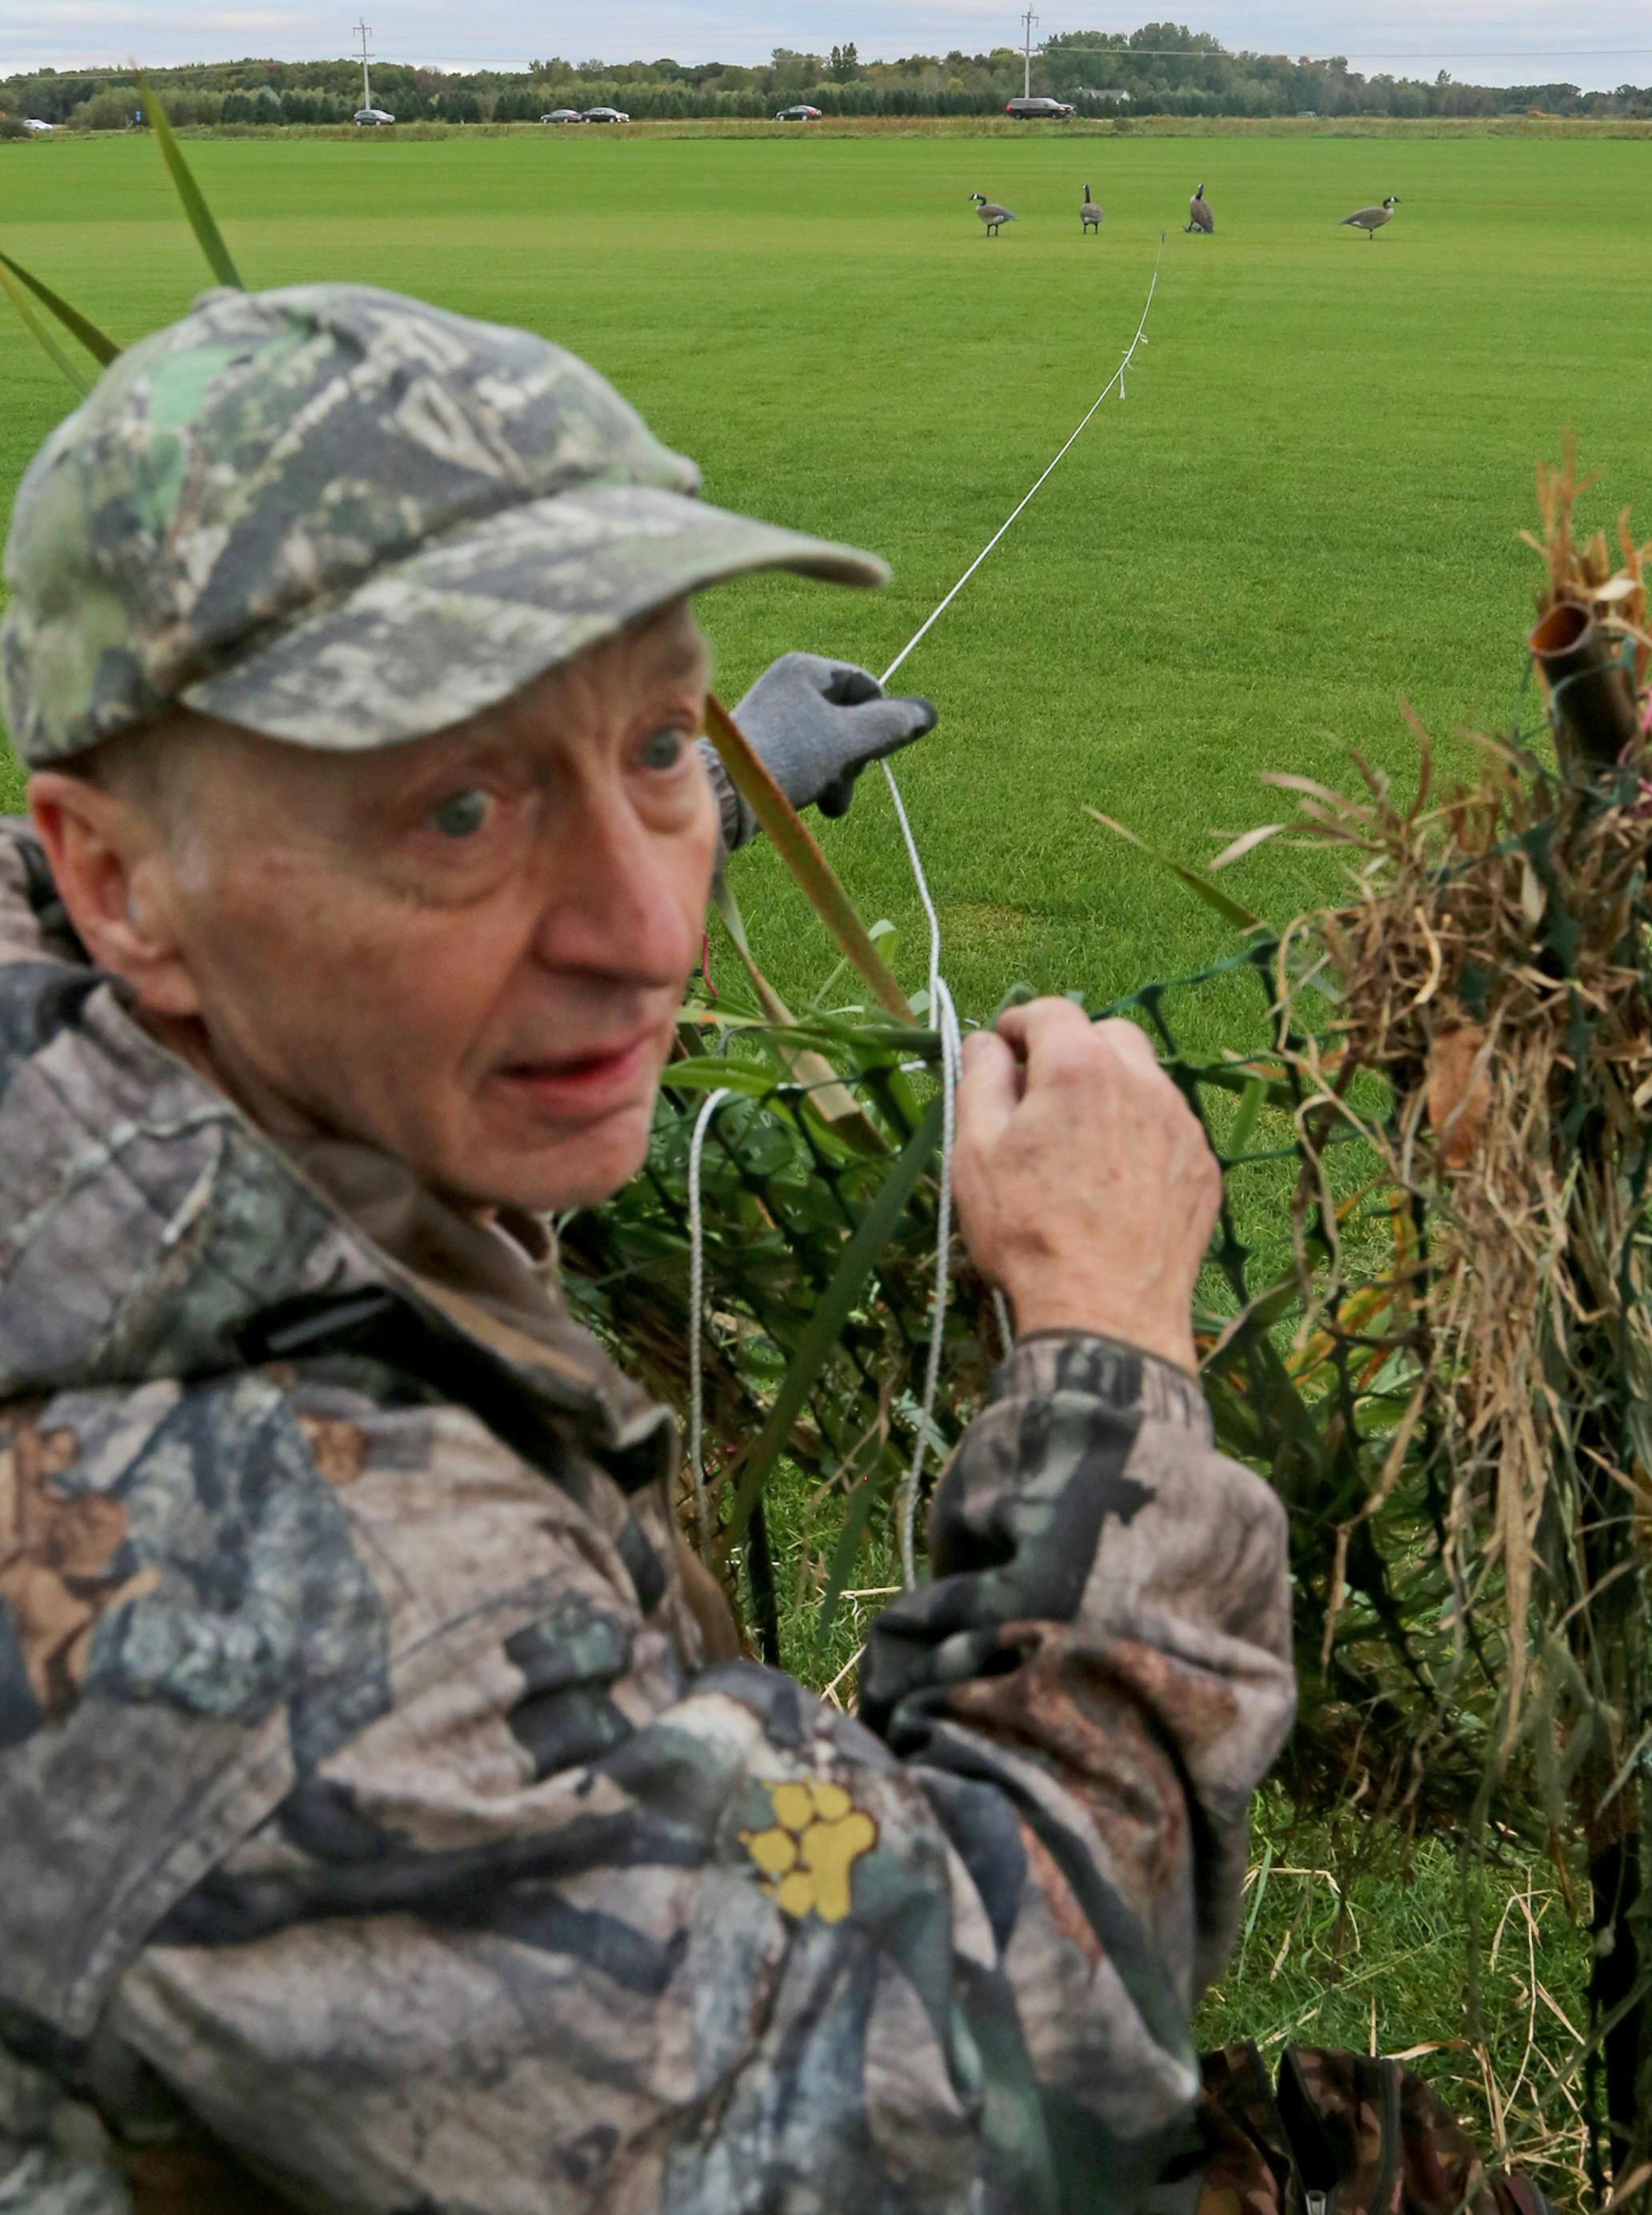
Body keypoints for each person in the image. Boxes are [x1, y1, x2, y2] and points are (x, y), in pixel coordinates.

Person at [0, 282, 1293, 2214]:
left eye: (664, 749)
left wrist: (662, 778)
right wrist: (1106, 1336)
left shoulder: (90, 1029)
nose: (651, 932)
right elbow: (995, 2084)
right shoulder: (273, 1623)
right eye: (455, 801)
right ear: (118, 877)